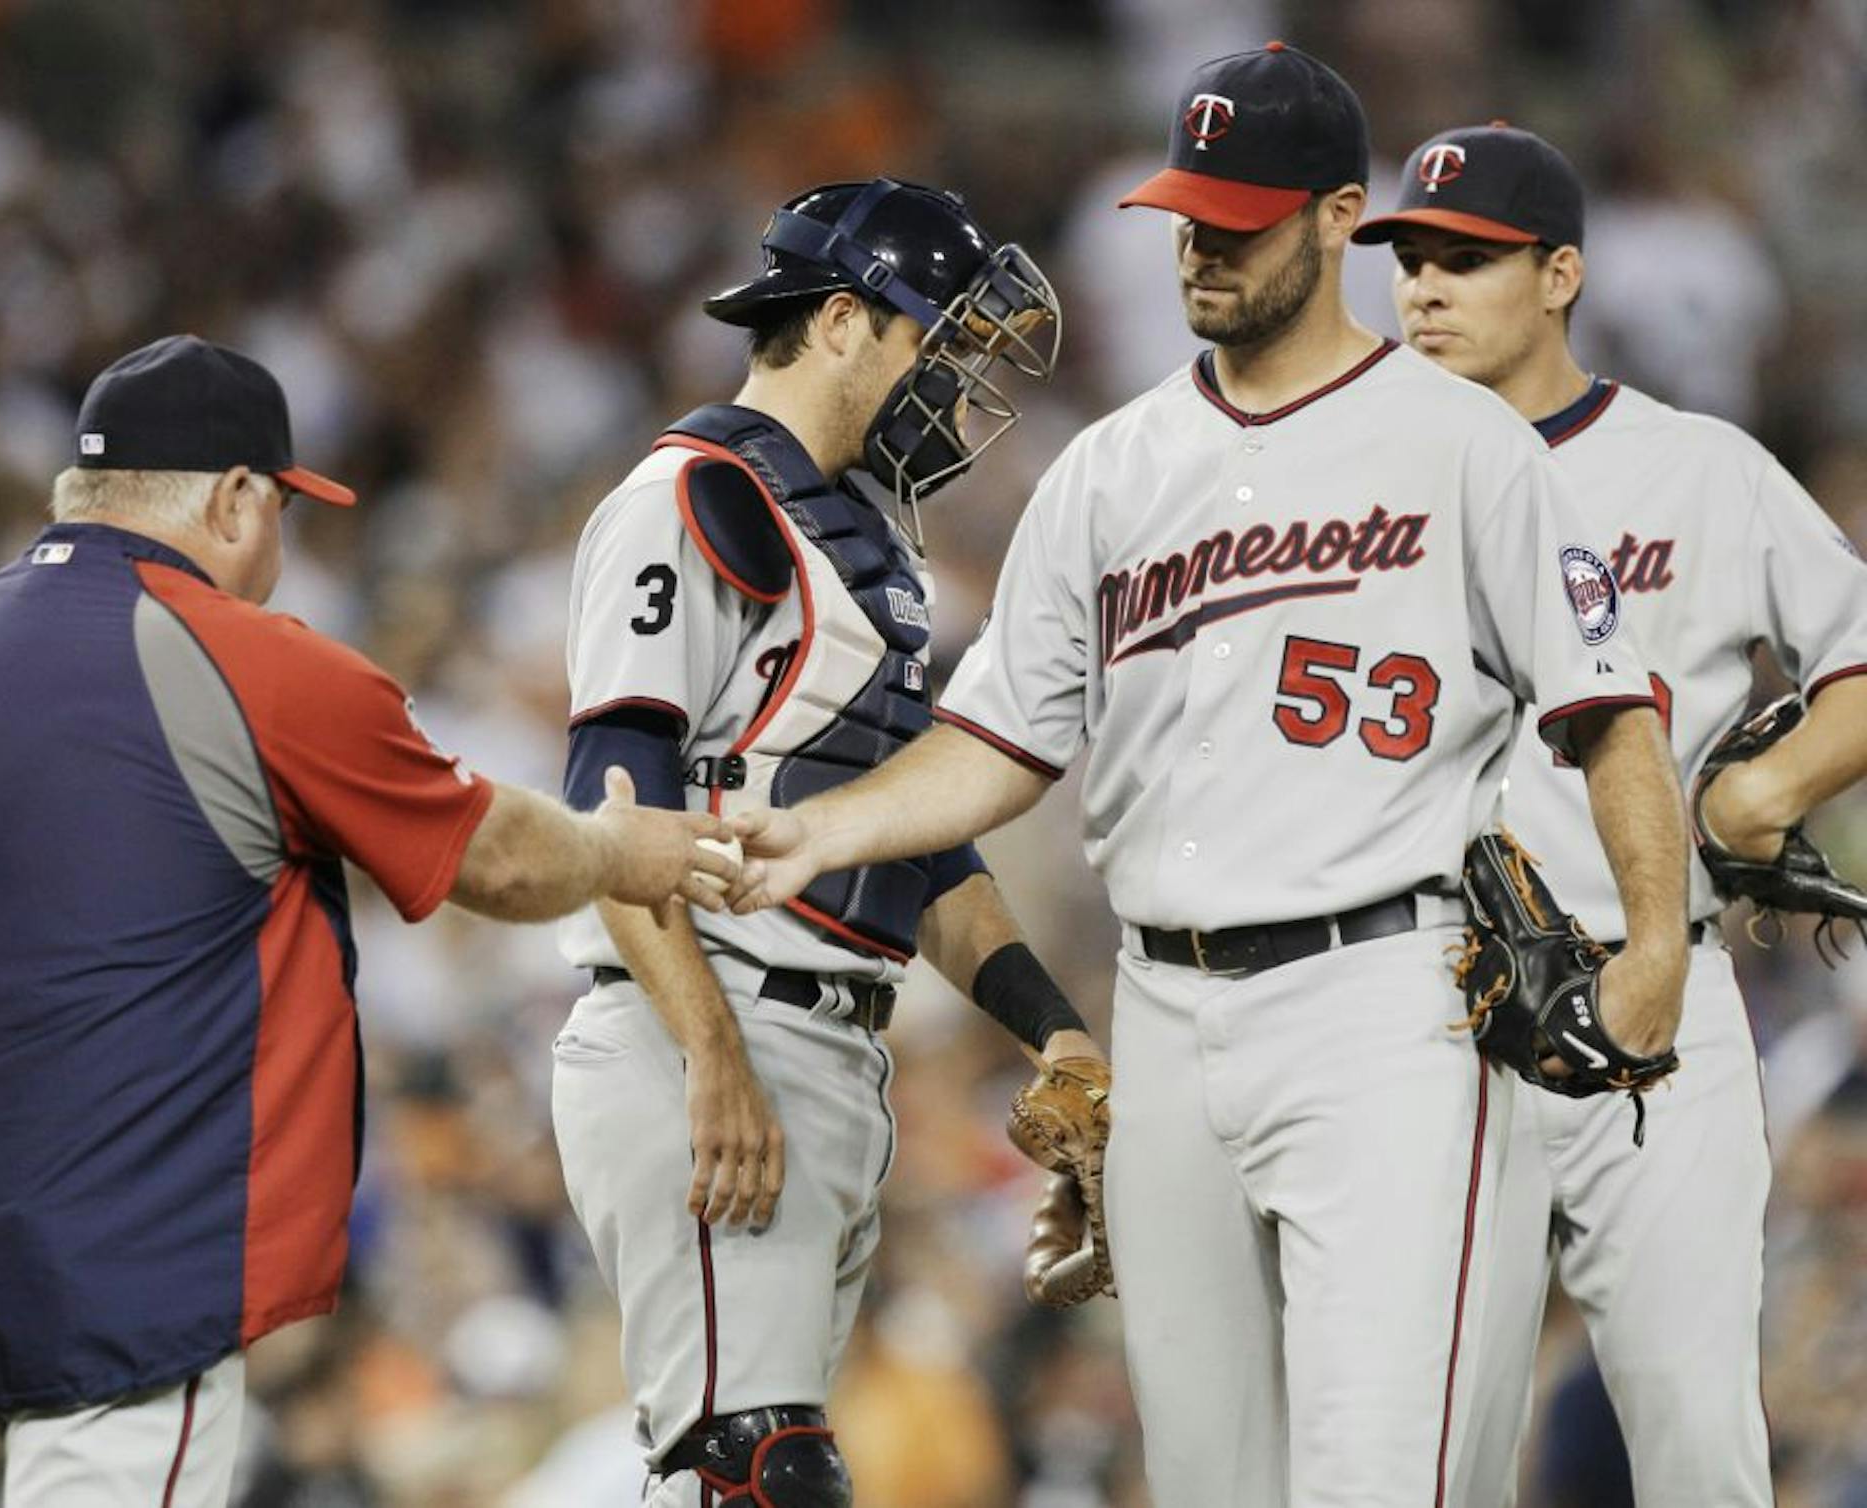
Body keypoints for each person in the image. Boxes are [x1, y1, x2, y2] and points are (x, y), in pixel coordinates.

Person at [724, 46, 1695, 1507]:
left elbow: (1614, 710)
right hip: (1166, 1019)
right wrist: (814, 832)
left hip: (1390, 1000)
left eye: (1239, 218)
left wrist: (1661, 938)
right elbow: (994, 748)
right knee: (1206, 1484)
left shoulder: (1467, 447)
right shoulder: (1114, 468)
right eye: (1187, 214)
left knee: (1394, 1477)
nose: (1202, 245)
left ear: (1335, 219)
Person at [0, 334, 735, 1508]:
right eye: (282, 507)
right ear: (231, 497)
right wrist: (617, 846)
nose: (282, 541)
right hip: (120, 1273)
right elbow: (495, 857)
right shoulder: (248, 657)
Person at [549, 178, 1096, 1507]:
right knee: (760, 1470)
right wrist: (715, 1057)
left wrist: (1054, 1028)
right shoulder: (699, 499)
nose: (957, 386)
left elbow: (919, 847)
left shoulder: (856, 535)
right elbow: (613, 813)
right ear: (846, 320)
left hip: (821, 1046)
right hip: (712, 1021)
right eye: (940, 341)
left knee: (729, 1469)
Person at [1358, 122, 1867, 1506]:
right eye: (1409, 259)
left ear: (1563, 272)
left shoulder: (1698, 467)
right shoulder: (1351, 483)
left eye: (1468, 259)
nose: (1425, 288)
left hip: (1651, 984)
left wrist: (1765, 787)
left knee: (1699, 1440)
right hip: (1422, 1006)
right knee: (1425, 1449)